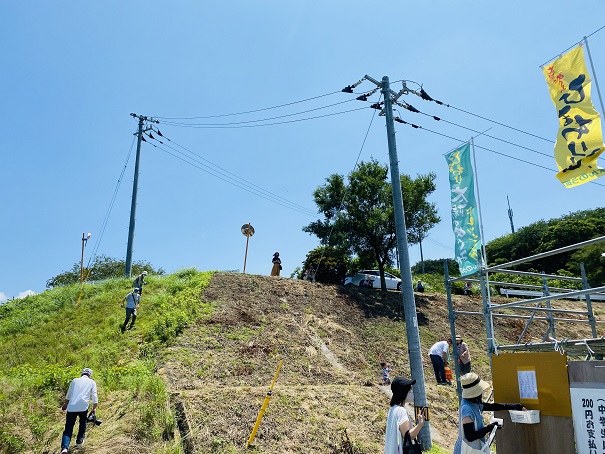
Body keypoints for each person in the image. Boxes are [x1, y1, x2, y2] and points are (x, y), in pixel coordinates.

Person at [453, 372, 525, 454]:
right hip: (467, 450)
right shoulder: (467, 408)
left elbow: (493, 406)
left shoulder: (473, 403)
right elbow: (470, 436)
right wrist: (489, 428)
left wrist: (515, 406)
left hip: (475, 448)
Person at [60, 368, 98, 453]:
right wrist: (94, 408)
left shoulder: (74, 381)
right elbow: (94, 396)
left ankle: (64, 448)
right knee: (83, 422)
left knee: (68, 428)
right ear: (90, 375)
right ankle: (79, 442)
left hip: (72, 407)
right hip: (83, 407)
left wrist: (65, 404)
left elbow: (69, 394)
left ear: (82, 374)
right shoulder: (92, 382)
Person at [384, 376, 425, 454]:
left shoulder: (393, 409)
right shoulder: (401, 411)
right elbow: (408, 436)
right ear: (403, 392)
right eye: (410, 390)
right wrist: (420, 424)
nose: (412, 392)